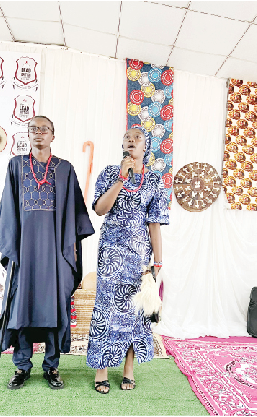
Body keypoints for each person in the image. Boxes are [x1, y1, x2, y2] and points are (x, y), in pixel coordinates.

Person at [0, 115, 95, 390]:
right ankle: (22, 366)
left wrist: (71, 253)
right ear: (28, 134)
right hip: (25, 251)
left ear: (53, 135)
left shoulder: (64, 169)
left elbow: (76, 215)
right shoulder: (16, 165)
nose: (38, 133)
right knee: (22, 306)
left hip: (55, 253)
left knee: (53, 307)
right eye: (33, 129)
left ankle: (52, 366)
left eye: (44, 129)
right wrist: (11, 248)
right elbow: (7, 209)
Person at [86, 127, 169, 393]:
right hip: (111, 252)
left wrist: (158, 261)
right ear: (122, 144)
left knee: (135, 312)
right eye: (127, 138)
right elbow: (100, 210)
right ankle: (102, 370)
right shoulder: (110, 173)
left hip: (139, 256)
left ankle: (128, 370)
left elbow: (154, 223)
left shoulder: (155, 180)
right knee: (106, 308)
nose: (131, 141)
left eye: (137, 138)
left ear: (146, 145)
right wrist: (121, 179)